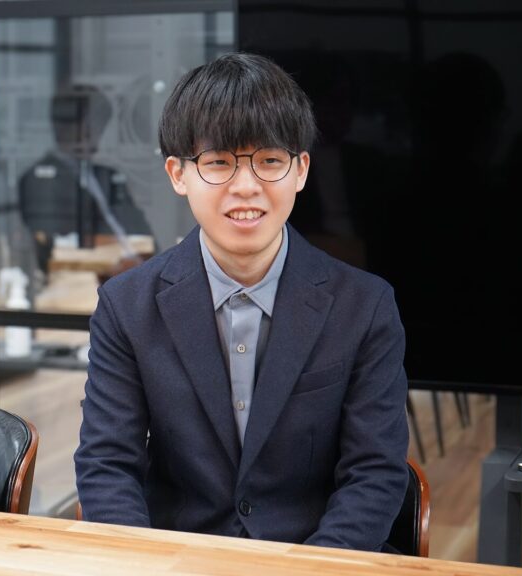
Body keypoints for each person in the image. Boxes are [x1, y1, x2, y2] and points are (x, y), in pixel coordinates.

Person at [74, 53, 409, 551]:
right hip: (177, 559)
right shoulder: (126, 306)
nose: (246, 187)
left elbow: (374, 473)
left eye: (269, 161)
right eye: (218, 163)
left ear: (301, 170)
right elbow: (107, 465)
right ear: (178, 174)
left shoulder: (365, 306)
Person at [18, 84, 152, 274]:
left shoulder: (105, 174)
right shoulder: (39, 181)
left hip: (136, 271)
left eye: (101, 127)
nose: (99, 136)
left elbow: (139, 227)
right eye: (96, 125)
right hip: (90, 276)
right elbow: (61, 247)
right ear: (67, 127)